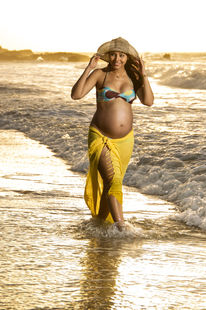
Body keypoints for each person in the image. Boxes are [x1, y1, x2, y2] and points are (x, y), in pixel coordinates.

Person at [71, 37, 154, 231]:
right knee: (114, 181)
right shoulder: (100, 74)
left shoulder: (134, 78)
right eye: (114, 54)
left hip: (125, 141)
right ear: (108, 56)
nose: (117, 58)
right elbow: (76, 95)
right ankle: (121, 227)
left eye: (122, 55)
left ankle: (99, 223)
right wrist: (89, 68)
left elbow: (148, 101)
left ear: (127, 58)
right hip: (100, 136)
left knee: (111, 184)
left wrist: (144, 75)